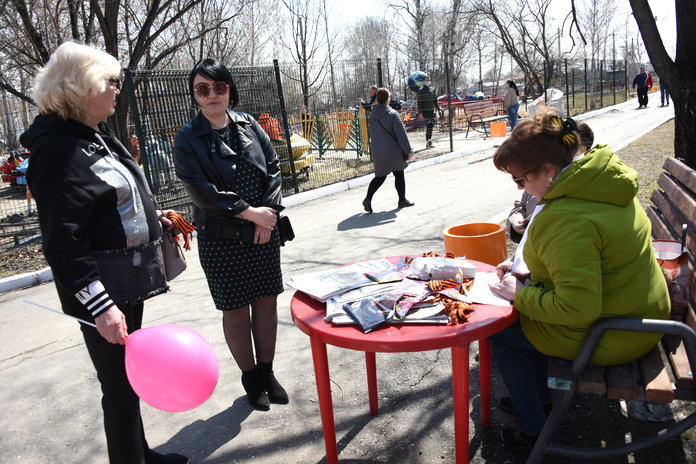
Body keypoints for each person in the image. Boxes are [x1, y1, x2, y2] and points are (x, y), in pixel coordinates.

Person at [19, 42, 188, 464]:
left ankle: (140, 454)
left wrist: (152, 219)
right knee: (118, 389)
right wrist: (101, 308)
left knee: (128, 381)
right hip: (103, 293)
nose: (117, 89)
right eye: (110, 81)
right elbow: (63, 242)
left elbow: (110, 199)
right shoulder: (57, 149)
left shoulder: (93, 134)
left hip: (124, 282)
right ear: (82, 86)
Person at [487, 108, 670, 453]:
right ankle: (536, 397)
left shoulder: (566, 216)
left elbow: (577, 306)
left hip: (616, 334)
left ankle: (534, 428)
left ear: (549, 172)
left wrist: (520, 294)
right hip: (639, 315)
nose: (522, 188)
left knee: (503, 330)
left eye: (521, 180)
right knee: (525, 316)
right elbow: (592, 262)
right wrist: (528, 272)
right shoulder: (601, 183)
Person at [173, 58, 287, 411]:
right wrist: (251, 214)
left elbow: (274, 169)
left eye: (218, 87)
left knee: (267, 303)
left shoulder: (250, 124)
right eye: (202, 89)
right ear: (194, 95)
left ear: (229, 90)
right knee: (236, 310)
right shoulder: (188, 137)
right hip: (221, 239)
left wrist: (265, 219)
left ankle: (267, 372)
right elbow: (201, 191)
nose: (211, 95)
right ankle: (251, 378)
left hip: (263, 234)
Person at [505, 120, 594, 243]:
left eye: (520, 179)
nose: (520, 187)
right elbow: (521, 205)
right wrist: (517, 220)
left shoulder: (572, 200)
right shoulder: (541, 179)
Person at [362, 87, 414, 213]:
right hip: (392, 149)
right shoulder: (392, 113)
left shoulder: (373, 114)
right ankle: (402, 200)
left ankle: (368, 199)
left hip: (377, 149)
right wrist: (408, 150)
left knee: (380, 176)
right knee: (399, 172)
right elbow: (401, 133)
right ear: (387, 99)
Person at [417, 74, 439, 148]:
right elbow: (419, 102)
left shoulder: (432, 89)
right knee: (429, 125)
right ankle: (428, 141)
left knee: (431, 126)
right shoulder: (421, 90)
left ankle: (429, 141)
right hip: (424, 111)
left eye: (429, 80)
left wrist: (438, 109)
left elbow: (435, 100)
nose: (428, 81)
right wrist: (420, 113)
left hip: (431, 110)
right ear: (423, 81)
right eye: (426, 80)